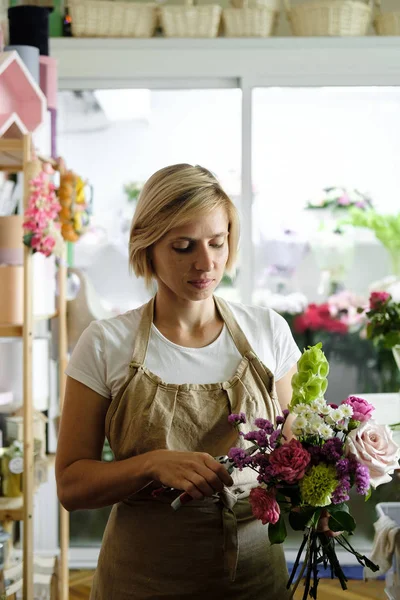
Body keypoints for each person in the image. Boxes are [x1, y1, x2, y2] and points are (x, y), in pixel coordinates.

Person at [55, 164, 301, 600]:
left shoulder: (268, 332)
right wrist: (150, 464)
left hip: (254, 575)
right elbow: (72, 486)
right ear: (147, 248)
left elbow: (299, 449)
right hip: (142, 577)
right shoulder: (105, 343)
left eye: (217, 243)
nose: (206, 263)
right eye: (184, 246)